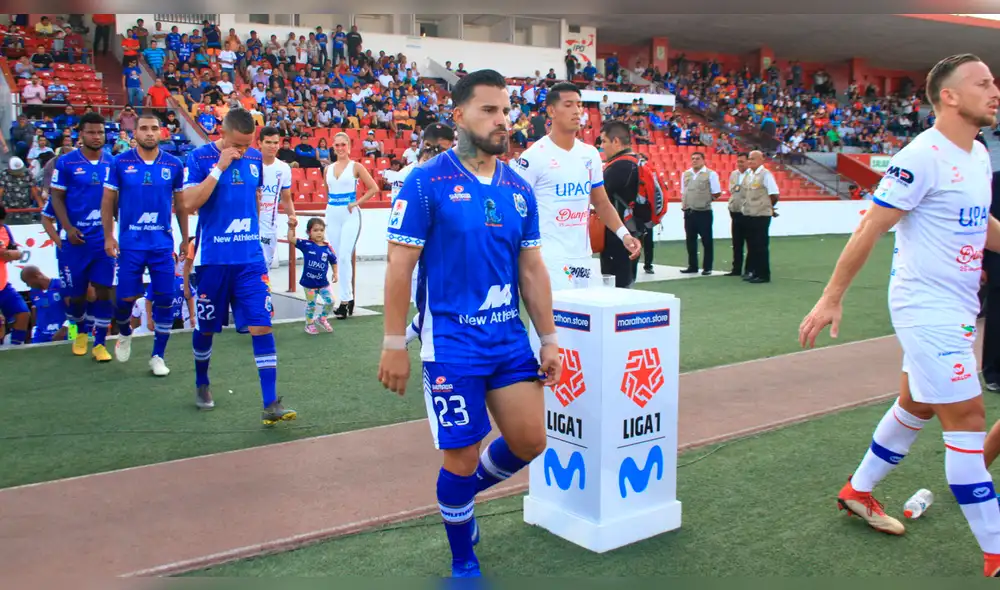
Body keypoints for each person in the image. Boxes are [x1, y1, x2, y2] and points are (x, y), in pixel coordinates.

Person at [798, 53, 1000, 578]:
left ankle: (857, 491)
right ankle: (996, 551)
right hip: (925, 307)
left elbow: (979, 222)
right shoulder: (921, 156)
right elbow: (870, 226)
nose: (995, 90)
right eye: (983, 83)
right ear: (949, 96)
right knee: (968, 420)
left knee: (918, 405)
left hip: (958, 305)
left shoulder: (978, 153)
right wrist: (831, 296)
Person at [377, 69, 561, 578]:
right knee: (460, 456)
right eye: (489, 110)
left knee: (531, 442)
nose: (502, 120)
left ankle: (459, 498)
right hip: (452, 345)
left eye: (506, 110)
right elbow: (399, 266)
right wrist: (393, 342)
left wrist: (548, 338)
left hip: (508, 340)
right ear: (459, 116)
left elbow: (531, 269)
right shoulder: (425, 182)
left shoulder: (518, 188)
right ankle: (464, 562)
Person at [181, 108, 296, 424]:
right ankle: (202, 381)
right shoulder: (199, 158)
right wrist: (219, 168)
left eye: (248, 144)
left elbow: (254, 196)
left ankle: (270, 403)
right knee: (206, 329)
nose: (243, 151)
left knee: (261, 324)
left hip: (249, 260)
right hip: (213, 261)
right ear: (223, 133)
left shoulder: (256, 159)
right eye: (237, 144)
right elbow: (189, 203)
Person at [509, 83, 640, 292]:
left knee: (584, 311)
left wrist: (624, 234)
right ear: (551, 111)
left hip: (583, 257)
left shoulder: (590, 154)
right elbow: (515, 208)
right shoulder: (533, 157)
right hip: (548, 258)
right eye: (569, 105)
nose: (577, 111)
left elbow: (601, 202)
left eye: (579, 105)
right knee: (557, 312)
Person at [102, 113, 188, 376]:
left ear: (161, 132)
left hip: (162, 244)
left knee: (165, 298)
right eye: (144, 128)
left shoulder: (174, 164)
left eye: (154, 128)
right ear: (135, 133)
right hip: (131, 244)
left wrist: (185, 238)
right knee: (125, 298)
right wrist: (109, 236)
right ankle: (124, 330)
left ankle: (158, 356)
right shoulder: (119, 162)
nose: (149, 133)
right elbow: (107, 201)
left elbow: (181, 205)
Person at [49, 112, 115, 361]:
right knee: (76, 295)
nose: (96, 136)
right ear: (81, 134)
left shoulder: (112, 162)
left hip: (102, 240)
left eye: (100, 132)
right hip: (75, 242)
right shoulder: (66, 163)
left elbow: (117, 199)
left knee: (104, 290)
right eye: (91, 132)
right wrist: (67, 228)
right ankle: (79, 332)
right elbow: (56, 198)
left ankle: (99, 343)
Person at [398, 122, 457, 347]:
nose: (445, 155)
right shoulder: (408, 176)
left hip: (447, 249)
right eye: (440, 149)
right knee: (427, 307)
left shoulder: (454, 175)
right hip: (418, 250)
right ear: (425, 145)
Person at [324, 131, 379, 319]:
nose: (340, 148)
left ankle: (345, 300)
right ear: (333, 147)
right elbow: (328, 192)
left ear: (349, 147)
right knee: (338, 257)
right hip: (332, 214)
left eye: (343, 144)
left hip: (350, 215)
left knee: (345, 256)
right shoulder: (327, 169)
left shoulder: (356, 167)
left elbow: (373, 188)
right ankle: (347, 299)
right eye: (337, 145)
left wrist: (357, 202)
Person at [598, 120, 643, 288]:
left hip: (618, 234)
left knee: (616, 286)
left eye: (604, 141)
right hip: (631, 228)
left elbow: (598, 195)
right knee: (626, 281)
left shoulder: (620, 166)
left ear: (616, 141)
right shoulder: (635, 162)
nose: (602, 147)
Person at [258, 126, 297, 269]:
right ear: (259, 143)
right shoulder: (251, 164)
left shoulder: (284, 168)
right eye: (268, 142)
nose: (272, 146)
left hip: (270, 226)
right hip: (249, 224)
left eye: (275, 142)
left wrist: (292, 216)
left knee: (265, 267)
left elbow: (286, 198)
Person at [289, 217, 336, 334]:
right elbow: (291, 238)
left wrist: (335, 273)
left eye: (321, 230)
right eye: (315, 230)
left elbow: (333, 261)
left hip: (323, 283)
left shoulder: (328, 248)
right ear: (309, 232)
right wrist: (291, 227)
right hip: (309, 284)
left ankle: (322, 319)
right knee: (311, 305)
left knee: (330, 301)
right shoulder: (306, 245)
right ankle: (309, 324)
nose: (319, 233)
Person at [679, 151, 721, 275]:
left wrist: (705, 201)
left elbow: (717, 192)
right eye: (693, 158)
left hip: (703, 212)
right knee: (690, 240)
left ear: (703, 160)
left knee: (706, 240)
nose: (694, 161)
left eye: (697, 158)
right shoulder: (686, 174)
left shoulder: (710, 174)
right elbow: (683, 191)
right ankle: (692, 266)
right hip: (689, 212)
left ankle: (707, 267)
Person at [742, 150, 780, 284]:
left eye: (753, 159)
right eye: (749, 159)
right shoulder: (749, 174)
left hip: (761, 214)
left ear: (761, 160)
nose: (750, 161)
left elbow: (774, 194)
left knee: (760, 245)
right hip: (750, 213)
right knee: (752, 245)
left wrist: (767, 207)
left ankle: (763, 274)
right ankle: (755, 272)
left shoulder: (765, 174)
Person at [0, 206, 29, 345]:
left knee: (23, 313)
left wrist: (13, 254)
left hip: (2, 285)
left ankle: (14, 346)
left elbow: (16, 252)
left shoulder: (5, 229)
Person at [20, 266, 69, 344]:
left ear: (36, 276)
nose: (28, 285)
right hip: (41, 336)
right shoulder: (34, 292)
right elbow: (36, 310)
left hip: (62, 334)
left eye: (27, 282)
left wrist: (65, 328)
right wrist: (34, 330)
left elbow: (74, 308)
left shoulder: (61, 286)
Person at [726, 152, 751, 277]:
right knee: (736, 242)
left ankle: (749, 269)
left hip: (748, 212)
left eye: (742, 161)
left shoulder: (752, 175)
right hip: (735, 211)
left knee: (750, 242)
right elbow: (732, 189)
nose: (739, 164)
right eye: (738, 161)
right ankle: (736, 268)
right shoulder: (734, 174)